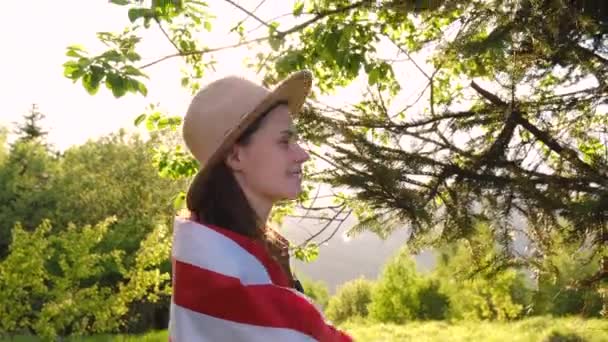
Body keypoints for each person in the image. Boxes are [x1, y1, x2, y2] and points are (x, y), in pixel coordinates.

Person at [168, 70, 353, 342]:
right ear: (235, 155)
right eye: (284, 141)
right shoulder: (232, 287)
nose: (303, 154)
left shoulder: (228, 259)